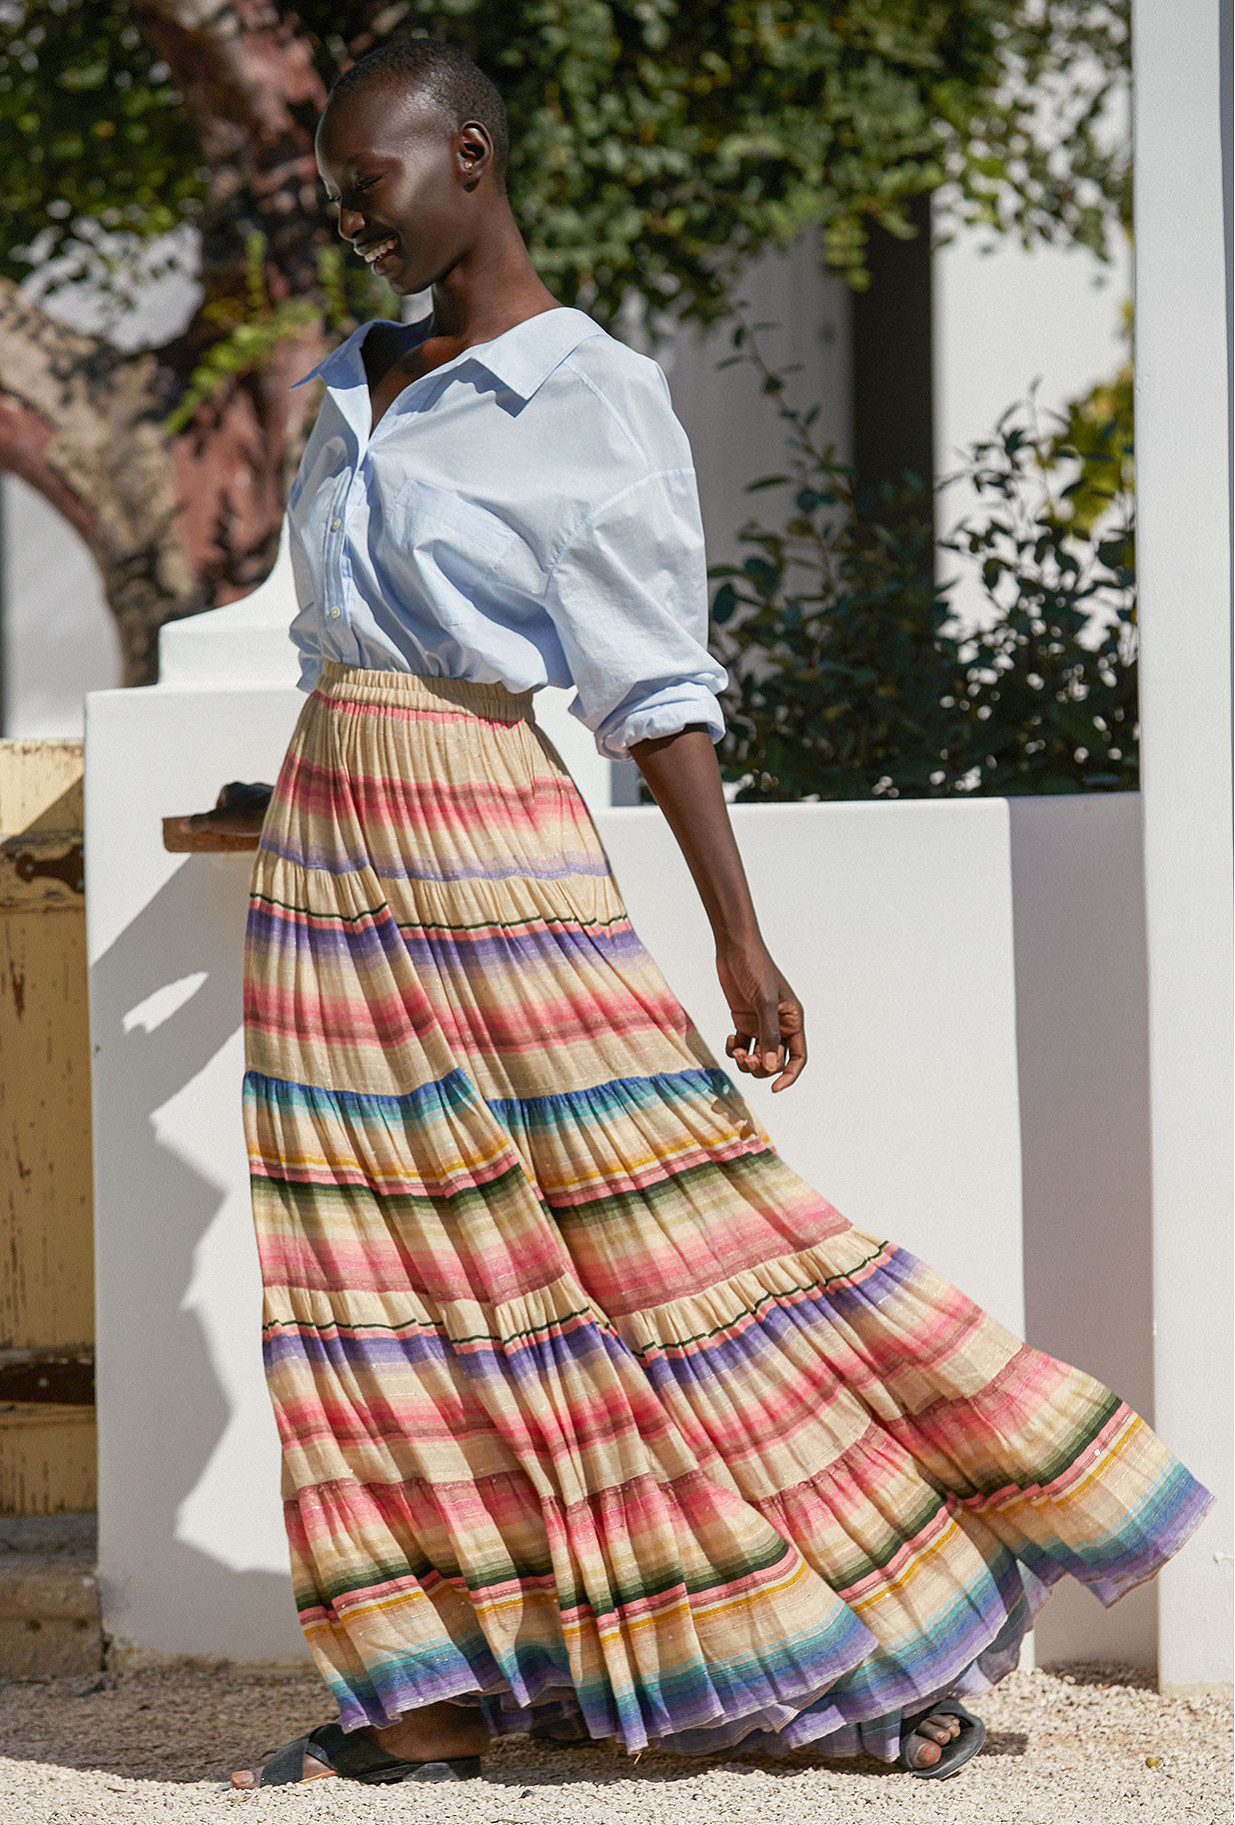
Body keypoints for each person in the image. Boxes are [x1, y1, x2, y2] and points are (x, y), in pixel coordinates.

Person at [213, 36, 1213, 1792]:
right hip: (323, 862)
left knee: (663, 1234)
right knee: (359, 1270)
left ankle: (867, 1636)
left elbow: (653, 690)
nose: (341, 216)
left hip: (489, 836)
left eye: (362, 183)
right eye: (326, 188)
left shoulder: (589, 394)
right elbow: (335, 649)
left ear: (468, 154)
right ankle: (425, 1688)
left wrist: (737, 935)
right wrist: (293, 785)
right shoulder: (350, 384)